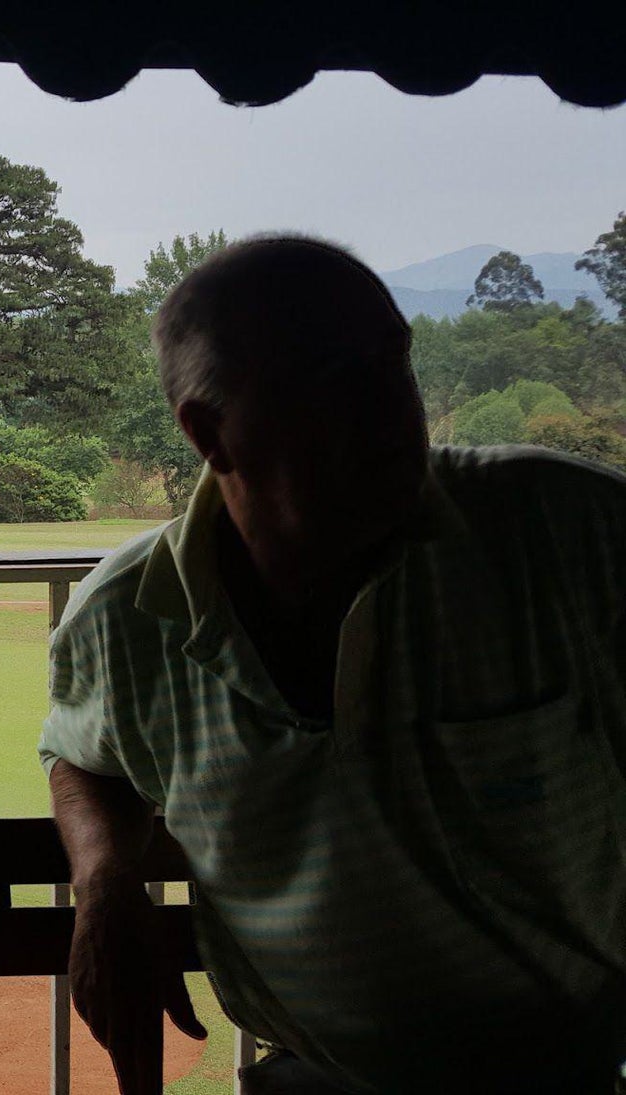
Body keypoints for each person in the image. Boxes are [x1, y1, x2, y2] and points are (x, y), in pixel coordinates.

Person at [38, 236, 626, 1093]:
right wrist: (104, 880)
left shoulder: (569, 536)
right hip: (318, 1078)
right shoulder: (129, 621)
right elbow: (83, 755)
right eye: (326, 380)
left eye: (392, 361)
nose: (389, 405)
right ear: (210, 434)